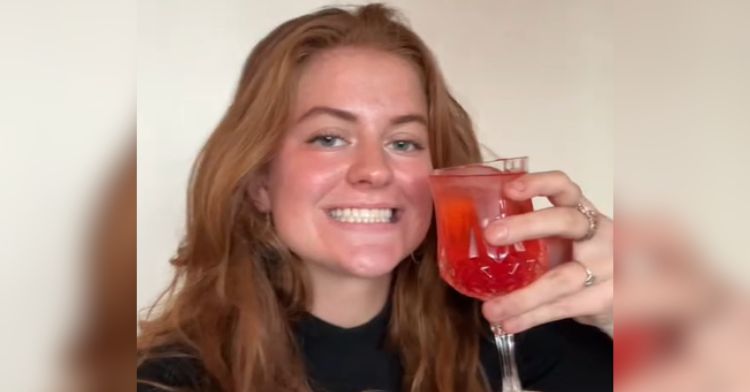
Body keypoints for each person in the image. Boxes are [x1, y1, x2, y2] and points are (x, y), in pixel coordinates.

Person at [137, 4, 613, 392]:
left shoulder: (510, 332)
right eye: (329, 137)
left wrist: (630, 319)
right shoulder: (169, 379)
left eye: (403, 143)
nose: (374, 171)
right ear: (260, 182)